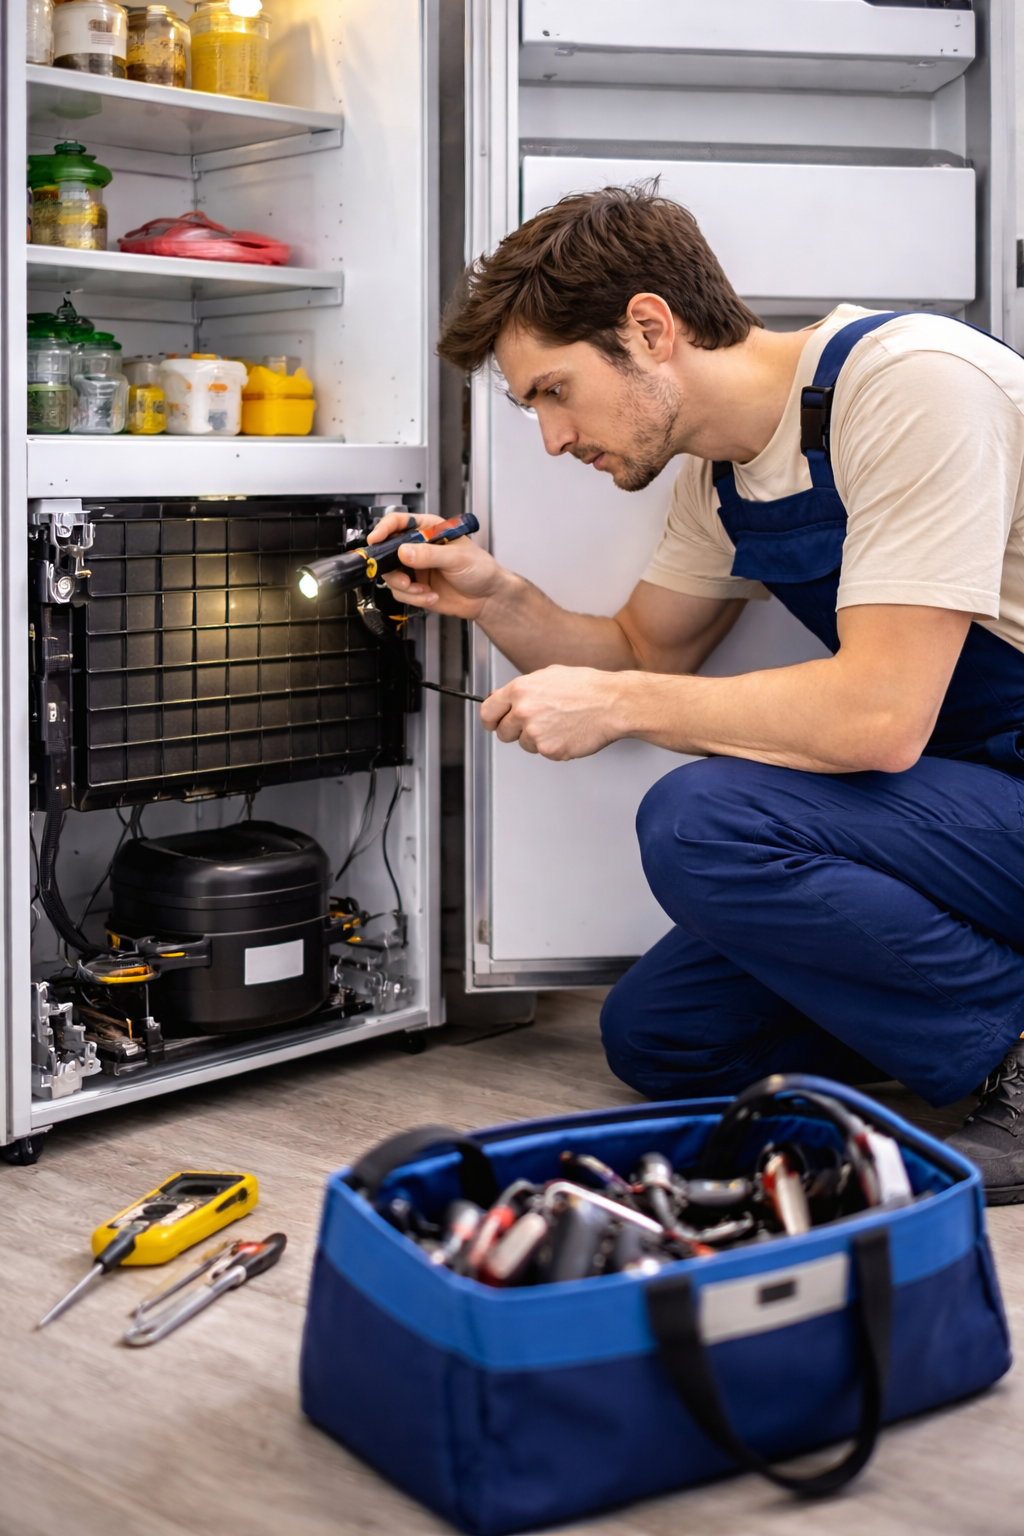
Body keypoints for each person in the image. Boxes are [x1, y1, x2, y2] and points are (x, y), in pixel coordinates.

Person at [369, 182, 1024, 1204]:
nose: (551, 437)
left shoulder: (911, 385)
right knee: (663, 1037)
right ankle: (972, 1036)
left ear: (648, 327)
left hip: (988, 785)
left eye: (553, 391)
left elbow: (879, 717)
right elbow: (638, 650)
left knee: (700, 819)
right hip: (972, 803)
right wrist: (493, 593)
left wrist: (622, 709)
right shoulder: (724, 476)